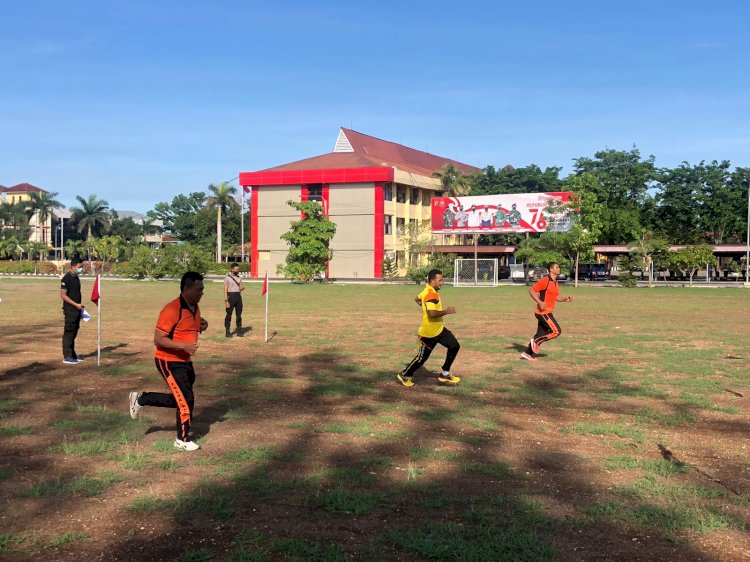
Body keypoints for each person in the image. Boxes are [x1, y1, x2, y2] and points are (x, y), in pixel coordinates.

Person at [129, 272, 208, 451]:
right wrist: (183, 346)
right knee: (186, 400)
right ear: (186, 289)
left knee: (180, 399)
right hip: (168, 361)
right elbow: (158, 339)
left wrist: (202, 326)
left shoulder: (194, 307)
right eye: (199, 289)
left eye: (203, 289)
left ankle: (142, 399)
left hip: (185, 361)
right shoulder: (172, 309)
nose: (202, 293)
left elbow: (188, 328)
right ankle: (182, 440)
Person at [397, 269, 461, 386]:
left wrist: (423, 306)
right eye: (440, 280)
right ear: (432, 281)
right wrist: (447, 311)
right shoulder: (431, 294)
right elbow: (432, 313)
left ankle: (445, 374)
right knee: (421, 359)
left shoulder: (426, 290)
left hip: (439, 330)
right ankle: (404, 375)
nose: (442, 282)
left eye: (442, 280)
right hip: (428, 334)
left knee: (454, 345)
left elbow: (417, 299)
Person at [521, 262, 572, 361]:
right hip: (543, 313)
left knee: (539, 334)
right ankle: (536, 342)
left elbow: (556, 297)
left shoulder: (555, 282)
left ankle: (527, 354)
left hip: (548, 312)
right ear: (551, 269)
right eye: (557, 267)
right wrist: (539, 302)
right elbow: (531, 290)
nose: (559, 269)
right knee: (556, 331)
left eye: (559, 267)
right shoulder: (545, 280)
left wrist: (565, 298)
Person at [60, 257, 85, 365]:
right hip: (70, 310)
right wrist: (75, 305)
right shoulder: (67, 279)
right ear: (73, 267)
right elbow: (63, 296)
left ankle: (73, 354)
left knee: (74, 332)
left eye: (82, 266)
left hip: (77, 309)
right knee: (69, 333)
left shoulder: (76, 277)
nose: (81, 269)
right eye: (80, 267)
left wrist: (80, 307)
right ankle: (67, 356)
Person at [224, 262, 245, 337]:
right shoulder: (227, 278)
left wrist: (241, 288)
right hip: (230, 296)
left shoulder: (239, 278)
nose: (237, 270)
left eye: (238, 269)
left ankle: (239, 331)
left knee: (239, 315)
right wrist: (226, 301)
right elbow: (225, 290)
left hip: (238, 297)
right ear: (232, 269)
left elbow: (240, 288)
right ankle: (227, 331)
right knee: (229, 315)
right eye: (236, 269)